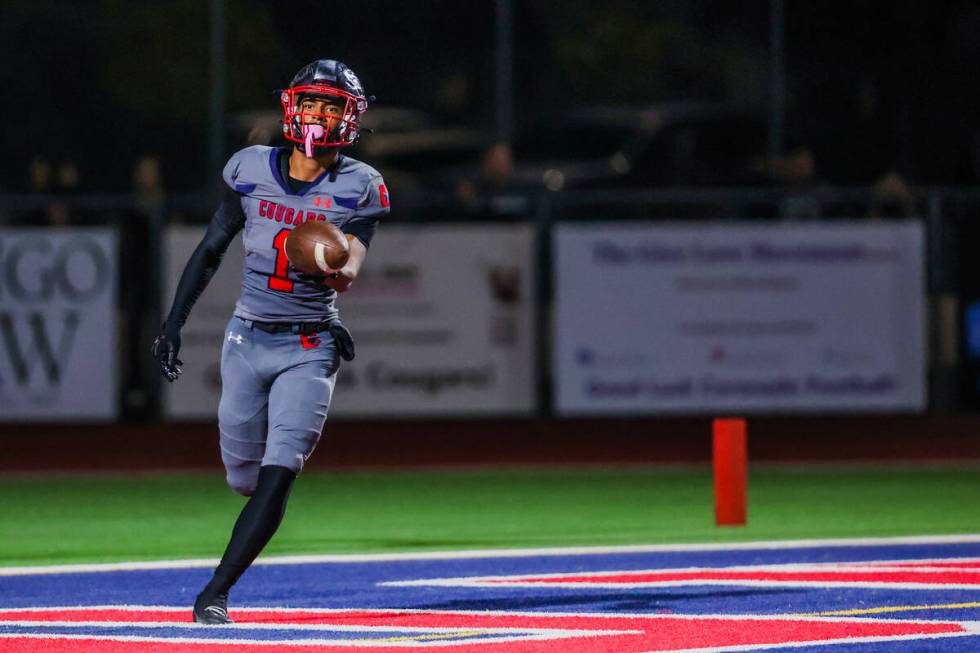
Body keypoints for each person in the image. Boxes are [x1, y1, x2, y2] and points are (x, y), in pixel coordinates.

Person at [151, 59, 389, 624]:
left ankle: (215, 592)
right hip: (246, 337)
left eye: (333, 106)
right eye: (313, 103)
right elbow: (211, 248)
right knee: (244, 478)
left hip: (311, 344)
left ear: (350, 118)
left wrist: (335, 262)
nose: (319, 115)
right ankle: (243, 530)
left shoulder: (361, 185)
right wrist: (173, 321)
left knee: (280, 469)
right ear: (292, 106)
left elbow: (352, 263)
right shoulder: (250, 168)